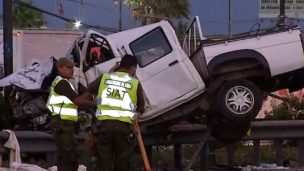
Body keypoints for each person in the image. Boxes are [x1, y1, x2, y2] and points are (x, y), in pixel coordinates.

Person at [84, 54, 145, 171]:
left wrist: (98, 102)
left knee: (104, 162)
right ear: (132, 67)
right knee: (122, 161)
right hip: (123, 128)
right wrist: (136, 114)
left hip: (104, 126)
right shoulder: (134, 83)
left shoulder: (105, 78)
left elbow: (87, 93)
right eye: (135, 69)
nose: (135, 71)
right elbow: (141, 108)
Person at [46, 57, 93, 171]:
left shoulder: (67, 83)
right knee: (69, 158)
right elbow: (77, 100)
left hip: (65, 125)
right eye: (68, 67)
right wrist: (96, 103)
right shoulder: (61, 83)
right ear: (60, 68)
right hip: (62, 124)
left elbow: (78, 100)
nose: (72, 70)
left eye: (72, 67)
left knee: (67, 157)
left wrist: (88, 94)